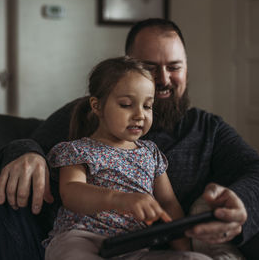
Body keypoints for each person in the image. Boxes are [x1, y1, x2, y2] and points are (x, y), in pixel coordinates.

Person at [0, 18, 259, 260]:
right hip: (50, 240)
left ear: (186, 68)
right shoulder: (86, 114)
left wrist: (242, 206)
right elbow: (29, 141)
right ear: (128, 70)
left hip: (137, 248)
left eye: (175, 66)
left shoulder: (208, 130)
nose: (165, 79)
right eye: (151, 68)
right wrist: (28, 152)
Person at [43, 56, 204, 259]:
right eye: (126, 105)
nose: (140, 115)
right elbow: (71, 193)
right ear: (97, 106)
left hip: (133, 247)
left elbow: (168, 203)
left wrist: (184, 250)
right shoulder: (78, 150)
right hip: (80, 239)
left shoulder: (150, 153)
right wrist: (120, 200)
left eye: (147, 106)